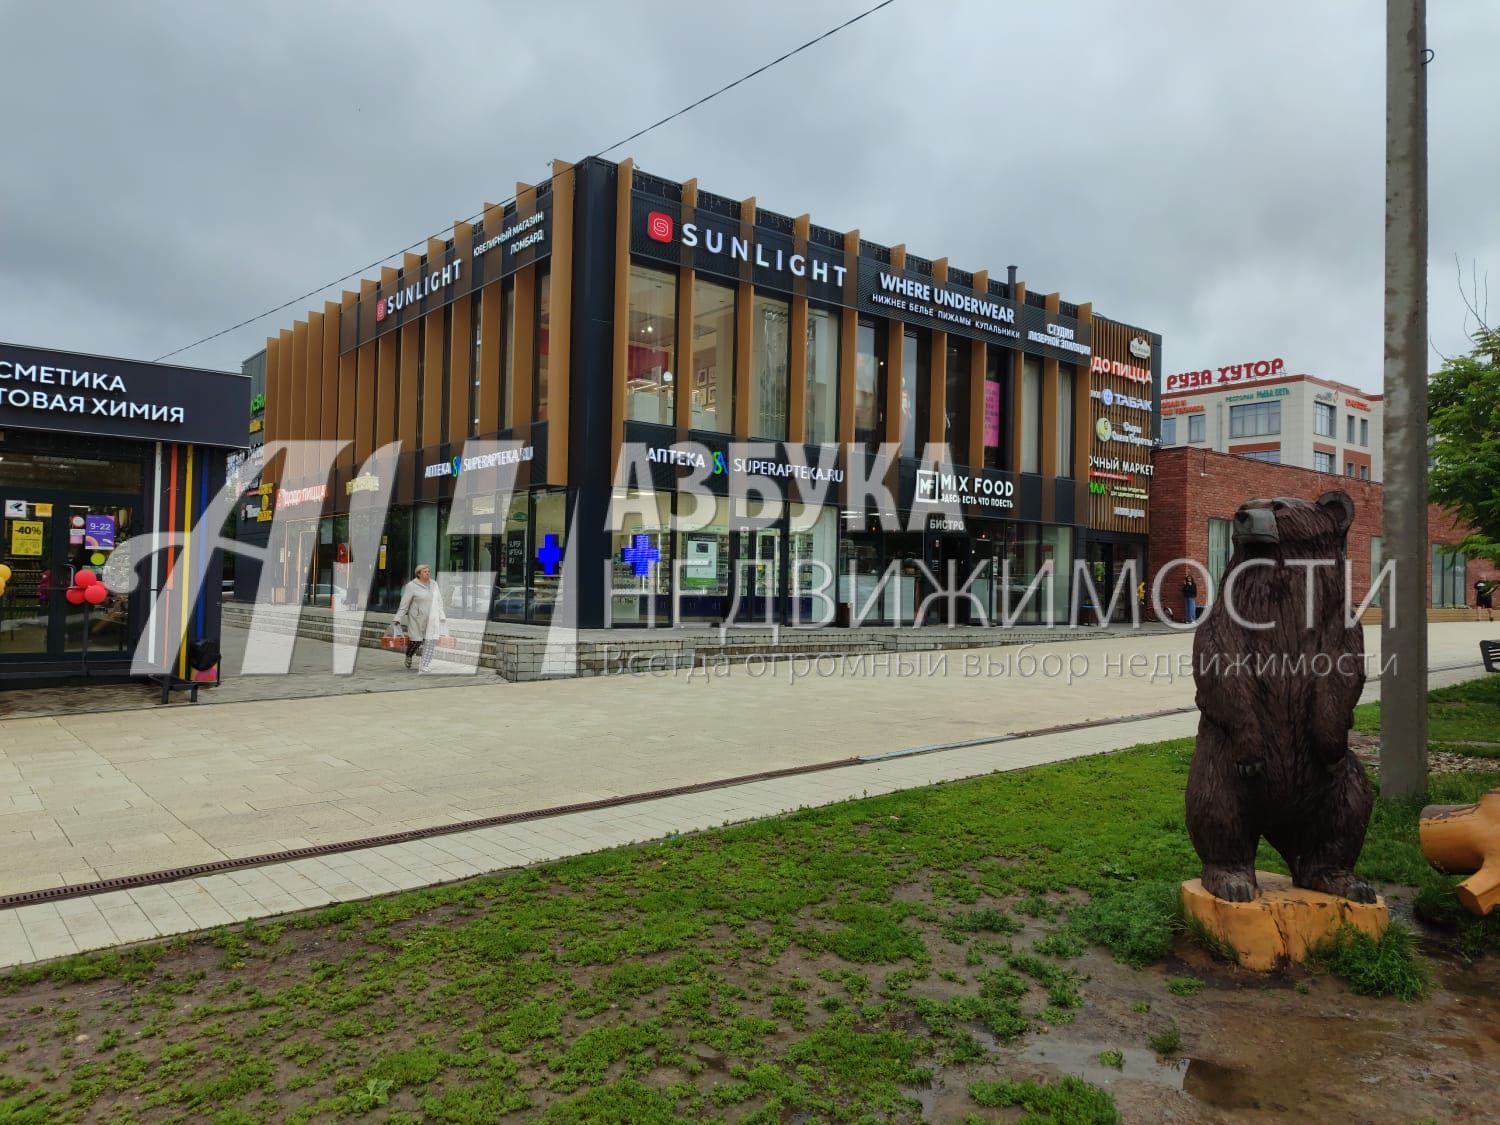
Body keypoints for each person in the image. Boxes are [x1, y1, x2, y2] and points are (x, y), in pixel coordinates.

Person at [396, 563, 448, 672]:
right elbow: (404, 603)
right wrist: (398, 618)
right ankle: (409, 655)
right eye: (425, 571)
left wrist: (442, 615)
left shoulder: (434, 584)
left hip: (432, 619)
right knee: (416, 641)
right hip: (417, 619)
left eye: (429, 571)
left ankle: (425, 664)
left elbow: (439, 601)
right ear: (419, 574)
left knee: (430, 642)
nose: (428, 573)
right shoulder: (411, 585)